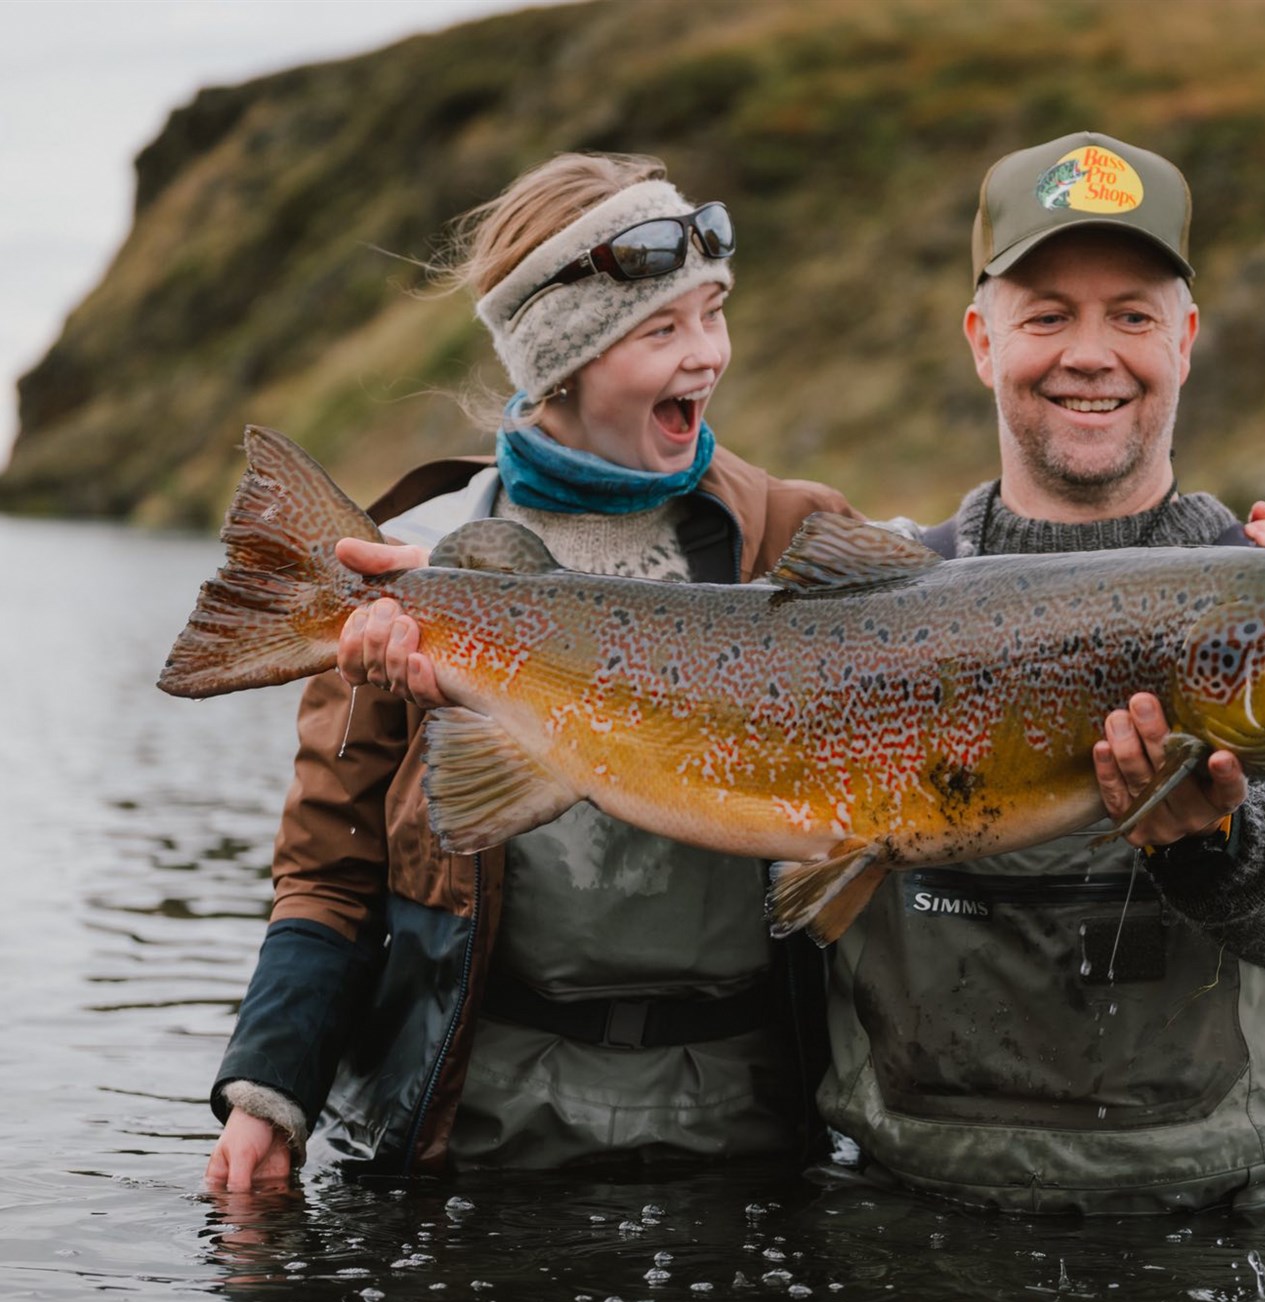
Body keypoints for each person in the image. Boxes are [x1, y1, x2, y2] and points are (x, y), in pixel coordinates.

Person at [204, 152, 851, 1190]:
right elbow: (329, 868)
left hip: (745, 1124)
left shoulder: (796, 535)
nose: (708, 355)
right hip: (478, 1119)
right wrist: (268, 1092)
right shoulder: (404, 555)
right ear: (561, 355)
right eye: (662, 329)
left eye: (714, 313)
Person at [812, 132, 1265, 1214]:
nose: (1089, 352)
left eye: (1129, 313)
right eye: (1045, 314)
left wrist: (1214, 843)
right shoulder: (869, 598)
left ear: (1184, 340)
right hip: (914, 1220)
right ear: (982, 340)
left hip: (1218, 1225)